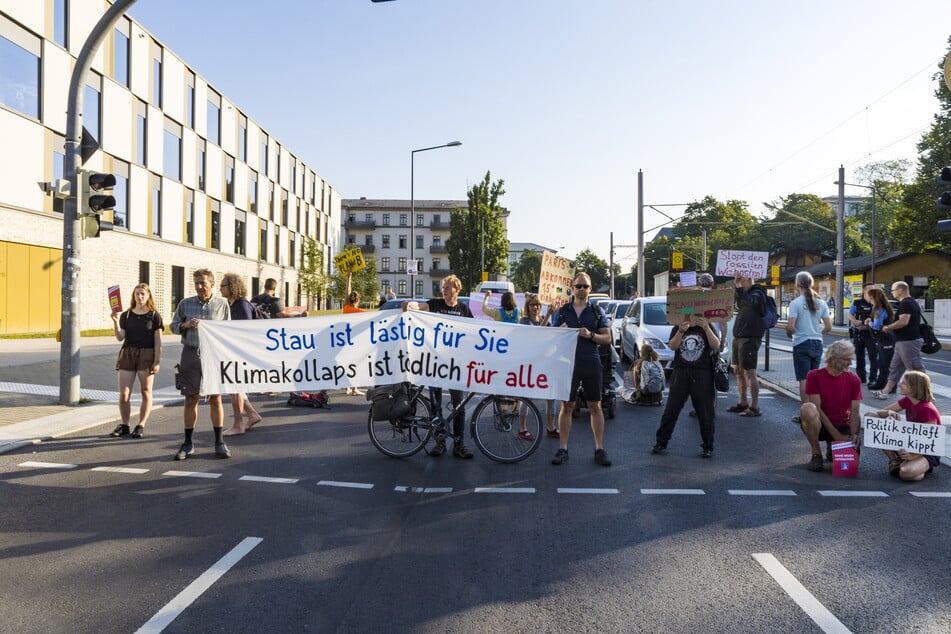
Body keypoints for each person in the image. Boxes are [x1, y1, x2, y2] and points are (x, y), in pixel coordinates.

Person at [404, 275, 475, 459]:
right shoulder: (435, 305)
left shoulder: (464, 309)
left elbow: (475, 332)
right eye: (443, 287)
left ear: (457, 289)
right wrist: (409, 304)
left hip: (455, 366)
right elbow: (419, 307)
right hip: (434, 364)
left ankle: (459, 444)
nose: (444, 290)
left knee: (459, 406)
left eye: (448, 287)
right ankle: (440, 442)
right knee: (436, 407)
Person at [549, 272, 612, 467]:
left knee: (595, 406)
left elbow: (607, 338)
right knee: (566, 406)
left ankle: (599, 449)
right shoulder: (562, 311)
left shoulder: (596, 311)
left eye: (585, 286)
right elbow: (552, 337)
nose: (582, 289)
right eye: (579, 286)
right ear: (572, 287)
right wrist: (561, 331)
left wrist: (590, 334)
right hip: (568, 363)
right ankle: (563, 448)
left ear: (590, 289)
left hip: (590, 361)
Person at [170, 268, 232, 460]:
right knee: (190, 398)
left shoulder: (222, 305)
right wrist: (185, 325)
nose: (199, 287)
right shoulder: (185, 304)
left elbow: (228, 330)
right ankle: (188, 443)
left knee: (215, 398)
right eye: (196, 283)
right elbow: (172, 326)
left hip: (212, 356)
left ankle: (219, 442)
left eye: (203, 283)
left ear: (212, 284)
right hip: (190, 353)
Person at [651, 313, 720, 458]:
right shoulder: (679, 326)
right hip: (681, 371)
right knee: (671, 409)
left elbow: (716, 345)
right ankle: (661, 442)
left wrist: (706, 328)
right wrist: (681, 331)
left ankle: (708, 445)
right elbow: (672, 346)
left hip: (702, 373)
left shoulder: (707, 326)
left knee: (706, 412)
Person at [797, 340, 862, 472]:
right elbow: (818, 410)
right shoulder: (814, 376)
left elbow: (855, 412)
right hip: (821, 425)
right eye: (847, 359)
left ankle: (833, 447)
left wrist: (854, 435)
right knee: (807, 408)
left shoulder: (854, 379)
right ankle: (816, 454)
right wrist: (836, 435)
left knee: (847, 469)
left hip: (843, 425)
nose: (850, 363)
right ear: (833, 359)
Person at [109, 283, 163, 439]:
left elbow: (158, 341)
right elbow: (120, 337)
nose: (140, 297)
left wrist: (157, 361)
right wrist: (115, 321)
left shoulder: (154, 316)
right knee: (124, 394)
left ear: (148, 296)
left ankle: (141, 425)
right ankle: (125, 425)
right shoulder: (126, 315)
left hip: (147, 355)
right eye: (137, 294)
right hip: (128, 354)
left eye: (143, 294)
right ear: (133, 296)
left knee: (146, 391)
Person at [872, 370, 941, 481]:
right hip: (909, 442)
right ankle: (895, 460)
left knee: (905, 473)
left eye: (903, 383)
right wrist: (888, 413)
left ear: (914, 387)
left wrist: (914, 456)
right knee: (877, 422)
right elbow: (874, 415)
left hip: (926, 451)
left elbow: (931, 442)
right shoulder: (907, 400)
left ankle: (920, 466)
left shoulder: (927, 409)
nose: (900, 385)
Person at [219, 273, 264, 436]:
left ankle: (238, 424)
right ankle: (252, 414)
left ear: (232, 287)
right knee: (234, 387)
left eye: (223, 286)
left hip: (240, 353)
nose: (220, 289)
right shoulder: (234, 304)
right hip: (236, 352)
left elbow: (246, 331)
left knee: (234, 386)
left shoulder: (240, 305)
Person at [785, 271, 832, 423]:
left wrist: (789, 333)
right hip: (817, 342)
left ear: (797, 285)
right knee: (814, 380)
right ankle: (816, 411)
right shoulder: (822, 303)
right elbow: (828, 327)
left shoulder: (795, 303)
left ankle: (805, 412)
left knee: (804, 380)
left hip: (801, 343)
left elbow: (791, 327)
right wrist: (817, 332)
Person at [872, 281, 925, 400]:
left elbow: (903, 321)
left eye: (893, 290)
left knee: (915, 370)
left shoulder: (906, 303)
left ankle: (925, 395)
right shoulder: (911, 302)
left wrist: (887, 328)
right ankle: (885, 392)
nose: (892, 293)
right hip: (902, 341)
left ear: (900, 290)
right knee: (895, 368)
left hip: (908, 341)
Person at [519, 293, 561, 438]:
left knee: (551, 396)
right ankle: (522, 429)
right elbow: (537, 335)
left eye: (537, 305)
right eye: (532, 305)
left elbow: (552, 334)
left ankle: (551, 427)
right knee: (526, 397)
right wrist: (549, 315)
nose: (535, 308)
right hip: (529, 365)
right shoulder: (524, 321)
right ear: (527, 307)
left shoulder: (545, 320)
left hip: (544, 364)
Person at [728, 272, 767, 417]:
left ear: (748, 280)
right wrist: (738, 288)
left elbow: (751, 302)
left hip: (750, 338)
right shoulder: (746, 294)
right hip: (740, 337)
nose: (739, 284)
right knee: (738, 370)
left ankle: (755, 407)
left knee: (750, 371)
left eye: (741, 281)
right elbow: (741, 304)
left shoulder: (758, 293)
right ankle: (742, 402)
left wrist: (739, 288)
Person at [865, 286, 896, 391]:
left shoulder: (878, 310)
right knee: (883, 362)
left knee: (885, 363)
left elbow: (876, 326)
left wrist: (869, 322)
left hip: (886, 338)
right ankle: (882, 383)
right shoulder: (884, 307)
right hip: (887, 338)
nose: (867, 298)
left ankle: (888, 386)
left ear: (872, 297)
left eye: (868, 296)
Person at [848, 283, 878, 385]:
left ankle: (873, 379)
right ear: (864, 291)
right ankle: (861, 378)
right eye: (869, 289)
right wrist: (855, 321)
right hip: (859, 333)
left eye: (874, 289)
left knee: (873, 357)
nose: (872, 292)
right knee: (859, 357)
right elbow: (850, 313)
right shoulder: (857, 303)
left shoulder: (877, 303)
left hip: (872, 334)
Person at [342, 272, 366, 396]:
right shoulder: (361, 312)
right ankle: (354, 388)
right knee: (355, 363)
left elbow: (347, 291)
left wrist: (349, 278)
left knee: (347, 363)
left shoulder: (345, 308)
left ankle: (346, 388)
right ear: (358, 300)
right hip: (356, 341)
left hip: (345, 340)